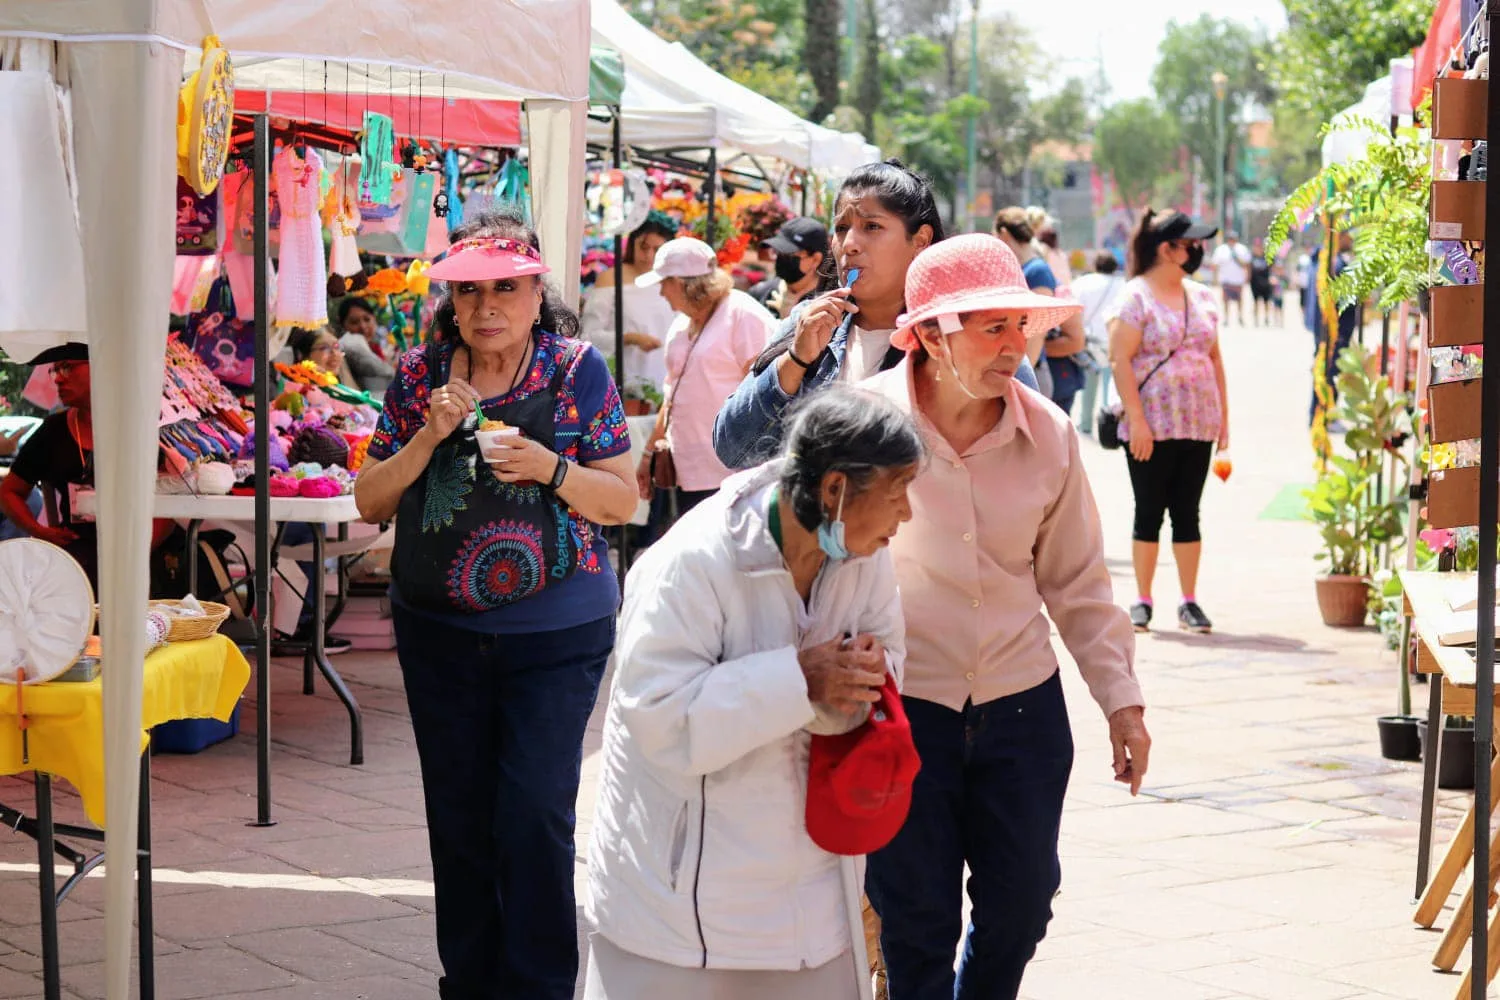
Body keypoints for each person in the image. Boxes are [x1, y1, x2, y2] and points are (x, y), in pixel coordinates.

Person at [353, 211, 638, 1000]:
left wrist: (551, 468)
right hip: (438, 629)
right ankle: (471, 984)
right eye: (469, 291)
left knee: (535, 816)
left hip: (559, 628)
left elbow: (622, 501)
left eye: (504, 289)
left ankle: (541, 987)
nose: (486, 308)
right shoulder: (419, 377)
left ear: (535, 288)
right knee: (459, 819)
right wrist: (426, 438)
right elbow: (369, 499)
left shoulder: (576, 368)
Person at [861, 234, 1148, 1000]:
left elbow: (1079, 580)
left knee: (1021, 907)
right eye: (990, 327)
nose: (1013, 346)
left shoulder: (1048, 433)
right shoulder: (860, 428)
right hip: (902, 707)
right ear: (927, 335)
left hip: (1021, 706)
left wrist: (1121, 701)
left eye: (1018, 325)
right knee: (913, 919)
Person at [585, 386, 923, 1000]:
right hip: (680, 903)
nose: (907, 516)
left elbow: (888, 652)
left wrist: (867, 675)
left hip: (811, 894)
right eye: (898, 494)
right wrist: (800, 680)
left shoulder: (862, 553)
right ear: (835, 490)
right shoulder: (690, 563)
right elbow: (657, 717)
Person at [713, 160, 1041, 471]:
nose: (850, 244)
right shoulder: (807, 322)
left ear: (921, 241)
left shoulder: (966, 334)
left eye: (872, 226)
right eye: (841, 229)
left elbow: (1028, 462)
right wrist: (796, 361)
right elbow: (732, 449)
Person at [1108, 209, 1229, 635]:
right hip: (1151, 428)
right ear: (1167, 249)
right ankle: (1143, 599)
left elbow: (1215, 359)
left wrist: (1224, 423)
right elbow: (1119, 358)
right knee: (1148, 512)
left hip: (1197, 424)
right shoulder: (1136, 297)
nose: (1198, 250)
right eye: (1191, 243)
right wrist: (1137, 421)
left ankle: (1189, 600)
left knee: (1187, 513)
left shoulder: (1202, 297)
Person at [0, 344, 177, 589]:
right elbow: (9, 491)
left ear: (105, 367)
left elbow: (171, 504)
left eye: (67, 368)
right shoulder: (53, 430)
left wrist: (131, 556)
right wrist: (40, 531)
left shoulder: (148, 426)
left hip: (144, 563)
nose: (58, 379)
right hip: (78, 563)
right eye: (55, 370)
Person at [633, 238, 776, 538]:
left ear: (684, 283)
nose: (661, 292)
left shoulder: (742, 314)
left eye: (665, 283)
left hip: (734, 473)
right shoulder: (680, 326)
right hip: (688, 472)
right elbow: (671, 395)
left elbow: (768, 390)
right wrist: (648, 455)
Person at [581, 211, 679, 405]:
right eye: (644, 247)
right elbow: (588, 336)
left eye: (657, 249)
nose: (649, 255)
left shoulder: (673, 282)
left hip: (665, 381)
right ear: (632, 243)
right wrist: (628, 338)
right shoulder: (611, 279)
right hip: (622, 383)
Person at [995, 207, 1086, 414]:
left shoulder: (1036, 270)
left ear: (1004, 234)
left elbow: (1037, 330)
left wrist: (1020, 376)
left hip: (1030, 371)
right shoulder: (1029, 268)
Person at [1071, 251, 1128, 435]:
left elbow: (1075, 310)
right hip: (1114, 339)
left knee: (1089, 383)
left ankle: (1086, 423)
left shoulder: (1083, 282)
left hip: (1090, 341)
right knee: (1112, 382)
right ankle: (1109, 424)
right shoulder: (1123, 284)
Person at [1305, 233, 1359, 427]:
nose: (1351, 241)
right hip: (1333, 330)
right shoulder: (1333, 264)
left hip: (1324, 329)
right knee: (1329, 372)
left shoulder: (1320, 260)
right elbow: (1340, 300)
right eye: (1349, 236)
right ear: (1340, 236)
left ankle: (1320, 415)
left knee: (1324, 370)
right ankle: (1324, 415)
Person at [750, 216, 830, 319]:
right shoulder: (761, 293)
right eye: (778, 251)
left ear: (815, 259)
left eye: (789, 254)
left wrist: (789, 322)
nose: (781, 259)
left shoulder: (826, 305)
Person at [334, 298, 397, 397]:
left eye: (367, 319)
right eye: (354, 322)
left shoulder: (374, 347)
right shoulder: (350, 347)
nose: (363, 326)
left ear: (374, 319)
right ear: (343, 326)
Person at [1210, 231, 1251, 326]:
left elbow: (1247, 264)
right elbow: (1215, 264)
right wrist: (1215, 278)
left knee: (1240, 300)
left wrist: (1248, 276)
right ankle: (1226, 318)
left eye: (1234, 238)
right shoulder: (1221, 250)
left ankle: (1240, 317)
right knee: (1225, 300)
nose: (1232, 240)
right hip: (1226, 279)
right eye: (1230, 238)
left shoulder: (1242, 249)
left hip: (1238, 280)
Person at [1249, 237, 1274, 327]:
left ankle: (1266, 318)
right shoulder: (1252, 257)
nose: (1258, 248)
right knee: (1255, 301)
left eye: (1260, 246)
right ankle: (1256, 319)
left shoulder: (1268, 257)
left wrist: (1273, 277)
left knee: (1266, 302)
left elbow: (1273, 269)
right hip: (1255, 283)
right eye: (1257, 246)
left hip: (1266, 282)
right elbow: (1248, 269)